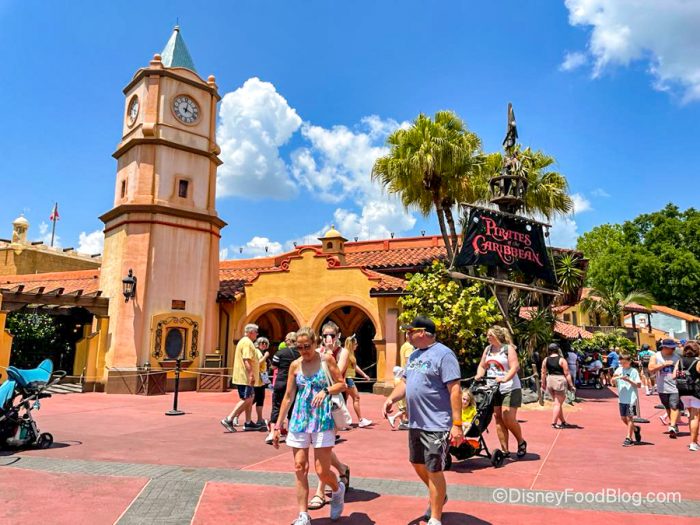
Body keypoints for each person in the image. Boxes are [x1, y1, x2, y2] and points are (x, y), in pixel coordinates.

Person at [383, 315, 462, 525]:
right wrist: (391, 398)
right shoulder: (414, 355)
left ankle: (435, 517)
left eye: (410, 331)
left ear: (423, 333)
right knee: (417, 463)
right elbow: (405, 383)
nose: (407, 335)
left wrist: (457, 425)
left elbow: (455, 390)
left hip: (437, 423)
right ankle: (440, 495)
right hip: (416, 422)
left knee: (434, 468)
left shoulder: (444, 355)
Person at [271, 326, 347, 525]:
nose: (304, 351)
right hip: (300, 418)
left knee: (322, 471)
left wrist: (326, 391)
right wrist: (277, 426)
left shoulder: (326, 360)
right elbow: (288, 396)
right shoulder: (295, 365)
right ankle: (303, 515)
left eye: (307, 346)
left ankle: (337, 489)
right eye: (300, 347)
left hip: (322, 419)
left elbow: (342, 384)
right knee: (299, 467)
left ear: (315, 343)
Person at [308, 321, 350, 512]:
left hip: (333, 401)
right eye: (325, 335)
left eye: (332, 335)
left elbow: (336, 375)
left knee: (323, 447)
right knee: (320, 445)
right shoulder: (318, 352)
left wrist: (328, 354)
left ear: (338, 335)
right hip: (317, 403)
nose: (328, 338)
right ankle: (342, 469)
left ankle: (319, 492)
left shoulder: (342, 353)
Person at [475, 326, 527, 458]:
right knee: (497, 416)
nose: (487, 337)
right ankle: (504, 450)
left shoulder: (508, 349)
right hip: (493, 388)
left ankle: (521, 441)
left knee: (507, 416)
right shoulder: (488, 349)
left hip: (510, 387)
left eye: (490, 335)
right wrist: (479, 374)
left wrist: (505, 378)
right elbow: (482, 365)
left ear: (497, 336)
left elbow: (515, 367)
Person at [221, 324, 264, 432]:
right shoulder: (247, 342)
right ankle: (229, 419)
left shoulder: (246, 342)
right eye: (256, 332)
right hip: (245, 377)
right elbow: (246, 360)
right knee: (247, 398)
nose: (257, 334)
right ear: (251, 332)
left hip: (244, 376)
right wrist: (251, 374)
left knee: (250, 398)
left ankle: (248, 422)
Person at [266, 332, 299, 445]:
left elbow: (274, 366)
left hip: (281, 381)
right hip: (295, 383)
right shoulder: (300, 353)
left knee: (276, 406)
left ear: (289, 340)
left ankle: (272, 432)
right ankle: (291, 432)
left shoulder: (280, 353)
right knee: (293, 407)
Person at [337, 334, 372, 428]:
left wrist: (364, 375)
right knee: (356, 398)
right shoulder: (347, 353)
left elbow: (355, 367)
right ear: (351, 344)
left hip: (349, 378)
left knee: (344, 400)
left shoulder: (350, 354)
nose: (357, 345)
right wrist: (343, 380)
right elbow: (343, 368)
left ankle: (342, 421)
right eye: (355, 344)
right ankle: (360, 420)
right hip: (348, 379)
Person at [649, 338, 681, 438]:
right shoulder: (656, 356)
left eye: (674, 348)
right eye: (671, 348)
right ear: (664, 347)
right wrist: (663, 364)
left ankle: (672, 426)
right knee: (667, 407)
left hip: (675, 386)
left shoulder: (677, 357)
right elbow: (650, 369)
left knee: (674, 406)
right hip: (662, 387)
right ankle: (674, 425)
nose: (673, 350)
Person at [540, 343, 575, 429]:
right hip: (559, 380)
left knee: (557, 403)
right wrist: (571, 385)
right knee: (558, 404)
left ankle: (563, 421)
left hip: (550, 380)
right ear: (558, 350)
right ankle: (554, 423)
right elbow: (567, 373)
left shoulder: (546, 359)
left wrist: (543, 383)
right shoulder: (562, 360)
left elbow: (543, 372)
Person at [674, 341, 700, 451]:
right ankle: (693, 443)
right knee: (695, 417)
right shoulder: (698, 362)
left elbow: (674, 376)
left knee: (691, 416)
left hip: (683, 391)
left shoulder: (679, 361)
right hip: (695, 392)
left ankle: (694, 440)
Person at [612, 353, 642, 446]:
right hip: (622, 398)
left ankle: (629, 438)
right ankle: (636, 429)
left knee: (629, 418)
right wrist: (617, 378)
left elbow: (639, 385)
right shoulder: (619, 369)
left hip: (631, 398)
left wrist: (628, 380)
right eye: (621, 362)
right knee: (623, 418)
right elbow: (612, 380)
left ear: (629, 362)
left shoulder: (634, 371)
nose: (623, 364)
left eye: (625, 362)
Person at [253, 337, 271, 428]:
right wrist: (265, 357)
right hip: (256, 379)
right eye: (262, 343)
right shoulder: (257, 352)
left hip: (262, 380)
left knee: (259, 399)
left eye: (265, 343)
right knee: (251, 400)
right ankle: (235, 416)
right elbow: (257, 363)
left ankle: (260, 419)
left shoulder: (262, 352)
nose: (264, 345)